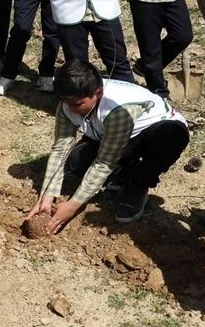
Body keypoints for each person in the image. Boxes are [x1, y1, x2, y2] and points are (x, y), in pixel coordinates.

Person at [25, 60, 189, 232]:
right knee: (75, 161)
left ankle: (138, 185)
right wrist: (47, 196)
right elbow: (61, 149)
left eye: (78, 104)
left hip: (152, 133)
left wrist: (74, 204)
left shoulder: (118, 110)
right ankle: (122, 172)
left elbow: (104, 162)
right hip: (110, 136)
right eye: (67, 104)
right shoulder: (68, 104)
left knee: (170, 137)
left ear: (98, 92)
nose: (72, 109)